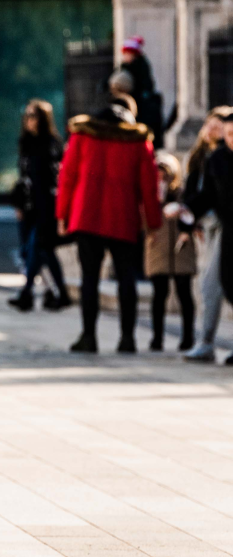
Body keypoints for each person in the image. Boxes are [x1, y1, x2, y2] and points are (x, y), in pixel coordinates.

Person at [56, 95, 162, 354]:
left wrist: (62, 215)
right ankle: (128, 338)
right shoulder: (138, 141)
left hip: (87, 217)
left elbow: (67, 177)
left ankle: (88, 337)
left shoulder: (82, 136)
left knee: (89, 278)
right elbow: (149, 187)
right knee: (127, 277)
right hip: (122, 217)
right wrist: (153, 223)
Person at [8, 100, 70, 312]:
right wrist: (18, 204)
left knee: (36, 248)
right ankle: (58, 293)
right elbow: (23, 178)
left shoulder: (51, 144)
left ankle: (28, 292)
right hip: (27, 206)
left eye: (33, 116)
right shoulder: (26, 143)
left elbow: (52, 180)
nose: (29, 120)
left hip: (45, 207)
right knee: (41, 252)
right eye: (26, 115)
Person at [182, 112, 233, 365]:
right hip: (226, 232)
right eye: (229, 134)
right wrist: (186, 212)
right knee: (218, 284)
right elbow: (208, 195)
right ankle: (206, 343)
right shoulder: (218, 159)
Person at [144, 153, 196, 352]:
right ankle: (157, 338)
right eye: (158, 172)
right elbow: (142, 221)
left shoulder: (184, 193)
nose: (161, 177)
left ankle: (188, 338)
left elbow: (194, 215)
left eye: (165, 173)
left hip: (181, 249)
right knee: (159, 294)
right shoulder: (149, 195)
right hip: (158, 248)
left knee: (184, 293)